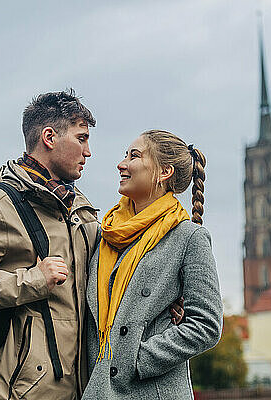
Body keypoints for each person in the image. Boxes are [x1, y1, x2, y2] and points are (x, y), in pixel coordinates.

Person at [0, 91, 183, 399]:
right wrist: (32, 280)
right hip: (20, 392)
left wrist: (159, 302)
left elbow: (107, 281)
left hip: (83, 389)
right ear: (49, 137)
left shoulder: (81, 209)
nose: (88, 151)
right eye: (81, 138)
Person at [83, 130, 223, 399]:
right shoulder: (105, 236)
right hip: (98, 390)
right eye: (125, 155)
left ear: (164, 172)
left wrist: (137, 359)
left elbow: (206, 325)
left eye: (134, 156)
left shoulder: (188, 237)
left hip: (152, 391)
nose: (121, 164)